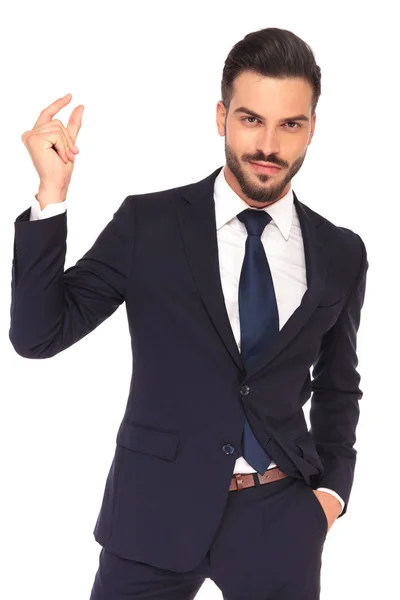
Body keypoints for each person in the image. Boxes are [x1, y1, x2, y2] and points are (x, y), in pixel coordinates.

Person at [10, 26, 368, 600]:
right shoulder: (148, 225)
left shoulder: (341, 252)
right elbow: (38, 335)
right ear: (221, 116)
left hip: (281, 520)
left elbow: (338, 386)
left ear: (312, 129)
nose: (269, 145)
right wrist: (51, 196)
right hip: (152, 511)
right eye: (251, 119)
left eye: (290, 124)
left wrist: (330, 499)